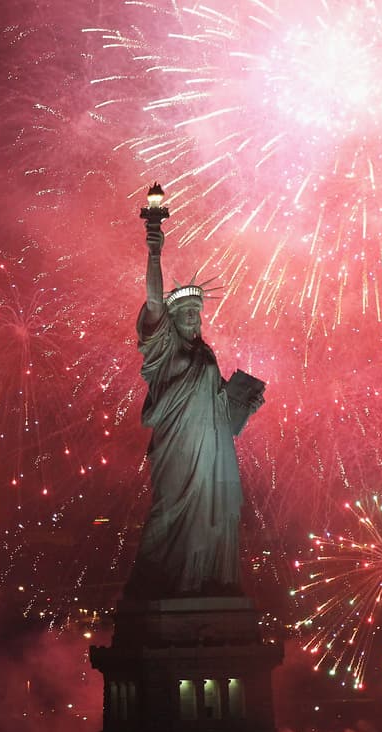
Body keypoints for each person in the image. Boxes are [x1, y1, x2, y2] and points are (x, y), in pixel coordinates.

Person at [125, 226, 264, 599]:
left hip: (212, 450)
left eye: (196, 312)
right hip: (178, 445)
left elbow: (220, 408)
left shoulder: (206, 355)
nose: (192, 317)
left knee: (209, 512)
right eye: (185, 312)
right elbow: (154, 301)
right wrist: (155, 252)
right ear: (171, 320)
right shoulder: (165, 349)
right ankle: (151, 583)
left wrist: (243, 405)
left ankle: (202, 580)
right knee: (169, 508)